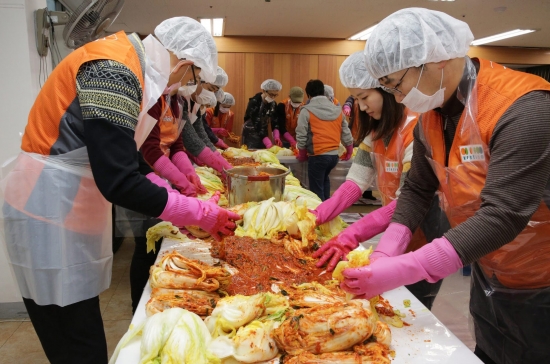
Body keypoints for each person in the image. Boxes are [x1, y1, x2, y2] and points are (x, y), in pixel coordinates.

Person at [0, 17, 240, 364]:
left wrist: (175, 198)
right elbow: (118, 178)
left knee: (81, 329)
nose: (189, 86)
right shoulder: (115, 70)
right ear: (184, 64)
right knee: (76, 342)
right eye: (194, 79)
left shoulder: (131, 67)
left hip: (67, 202)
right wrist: (191, 210)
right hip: (47, 204)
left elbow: (130, 159)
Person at [342, 8, 550, 364]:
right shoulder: (432, 115)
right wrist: (386, 249)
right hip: (489, 269)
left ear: (434, 60)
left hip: (541, 279)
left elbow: (503, 214)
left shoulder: (524, 108)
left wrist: (412, 266)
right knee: (489, 353)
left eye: (395, 82)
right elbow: (418, 190)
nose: (395, 94)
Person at [312, 51, 448, 309]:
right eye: (357, 99)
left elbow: (409, 200)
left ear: (386, 89)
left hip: (423, 232)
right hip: (394, 230)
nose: (362, 107)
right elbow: (356, 182)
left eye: (365, 98)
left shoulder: (415, 129)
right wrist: (318, 214)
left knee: (412, 306)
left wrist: (354, 233)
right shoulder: (377, 131)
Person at [296, 79, 353, 201]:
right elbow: (346, 131)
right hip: (333, 156)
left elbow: (301, 134)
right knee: (324, 181)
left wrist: (301, 153)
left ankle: (321, 215)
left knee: (316, 191)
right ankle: (328, 207)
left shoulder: (306, 110)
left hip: (318, 156)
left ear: (308, 95)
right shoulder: (337, 110)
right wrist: (349, 149)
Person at [242, 79, 282, 149]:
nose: (273, 97)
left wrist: (276, 136)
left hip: (263, 135)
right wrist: (266, 140)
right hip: (250, 135)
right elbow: (256, 123)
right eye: (271, 94)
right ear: (264, 91)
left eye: (275, 95)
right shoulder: (254, 102)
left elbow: (275, 121)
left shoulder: (273, 104)